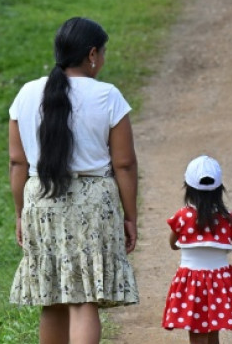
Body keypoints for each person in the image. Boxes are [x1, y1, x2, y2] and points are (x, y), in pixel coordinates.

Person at [8, 17, 139, 344]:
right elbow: (124, 164)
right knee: (83, 301)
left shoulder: (26, 94)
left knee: (51, 299)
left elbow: (17, 162)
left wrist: (19, 212)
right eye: (103, 54)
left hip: (41, 199)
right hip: (94, 202)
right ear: (91, 54)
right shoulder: (108, 96)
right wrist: (131, 216)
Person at [163, 155, 232, 344]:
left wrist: (176, 244)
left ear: (187, 188)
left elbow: (173, 241)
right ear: (219, 190)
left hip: (191, 281)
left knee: (197, 330)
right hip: (218, 281)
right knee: (213, 328)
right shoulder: (227, 219)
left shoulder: (182, 217)